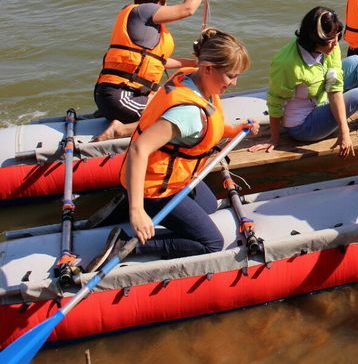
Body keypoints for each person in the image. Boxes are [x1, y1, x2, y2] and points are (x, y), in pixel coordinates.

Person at [86, 28, 259, 270]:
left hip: (175, 179)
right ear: (208, 68)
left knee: (209, 206)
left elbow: (211, 124)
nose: (234, 82)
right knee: (210, 242)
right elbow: (138, 150)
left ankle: (129, 203)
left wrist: (234, 129)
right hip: (155, 189)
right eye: (231, 76)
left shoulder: (191, 77)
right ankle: (128, 242)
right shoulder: (187, 113)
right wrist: (137, 211)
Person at [249, 6, 358, 158]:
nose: (336, 43)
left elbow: (334, 87)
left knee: (356, 61)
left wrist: (344, 130)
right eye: (330, 40)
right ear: (314, 39)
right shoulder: (286, 63)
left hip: (320, 97)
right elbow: (275, 100)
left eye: (338, 37)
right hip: (303, 125)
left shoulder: (330, 47)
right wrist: (274, 138)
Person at [93, 0, 217, 141]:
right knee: (177, 114)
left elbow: (159, 62)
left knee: (171, 96)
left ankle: (121, 118)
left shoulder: (141, 24)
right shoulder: (144, 11)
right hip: (121, 96)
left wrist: (193, 63)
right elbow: (187, 9)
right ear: (159, 3)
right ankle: (120, 130)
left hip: (115, 95)